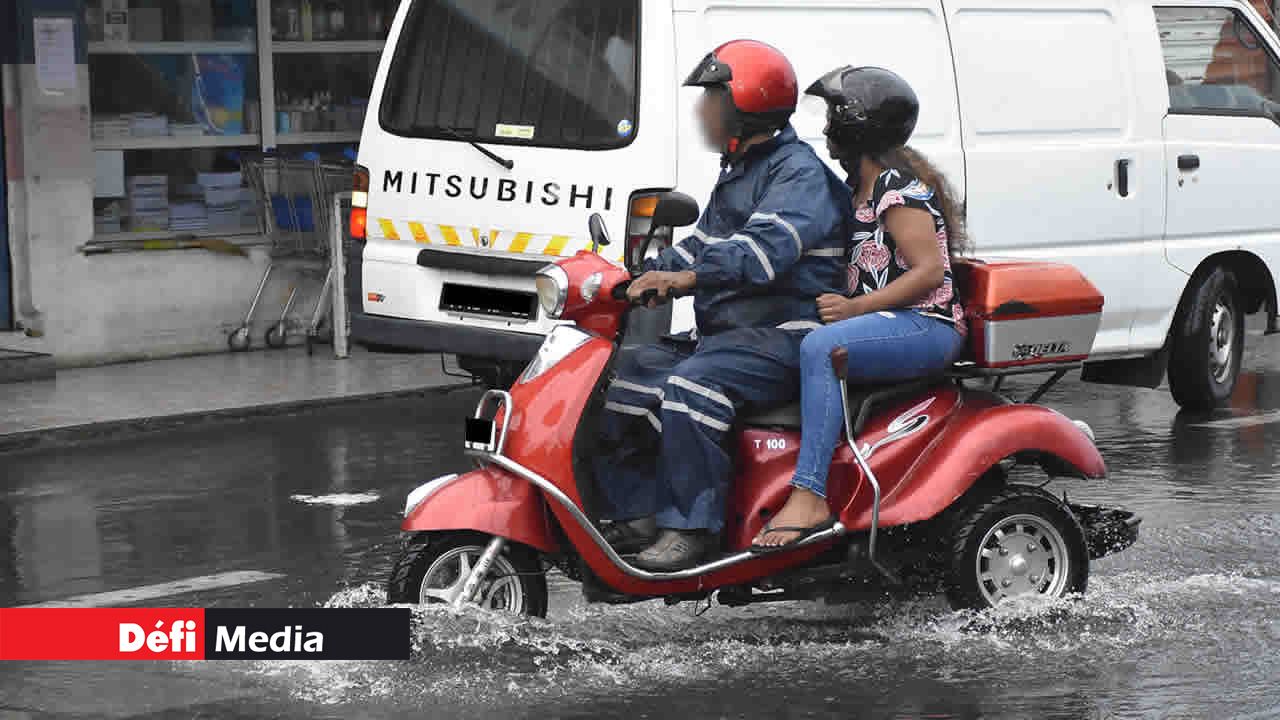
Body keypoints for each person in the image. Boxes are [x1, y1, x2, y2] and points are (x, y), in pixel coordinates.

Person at [596, 40, 852, 571]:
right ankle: (637, 513)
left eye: (711, 98)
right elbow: (705, 240)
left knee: (693, 388)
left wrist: (683, 279)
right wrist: (637, 273)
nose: (700, 110)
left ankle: (691, 530)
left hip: (784, 333)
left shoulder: (799, 176)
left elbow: (759, 254)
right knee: (629, 376)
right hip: (732, 332)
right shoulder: (741, 167)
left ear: (744, 104)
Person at [752, 66, 969, 550]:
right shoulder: (858, 187)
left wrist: (856, 309)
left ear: (860, 125)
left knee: (822, 347)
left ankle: (809, 495)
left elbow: (929, 272)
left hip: (928, 325)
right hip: (889, 321)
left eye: (834, 116)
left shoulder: (897, 186)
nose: (827, 127)